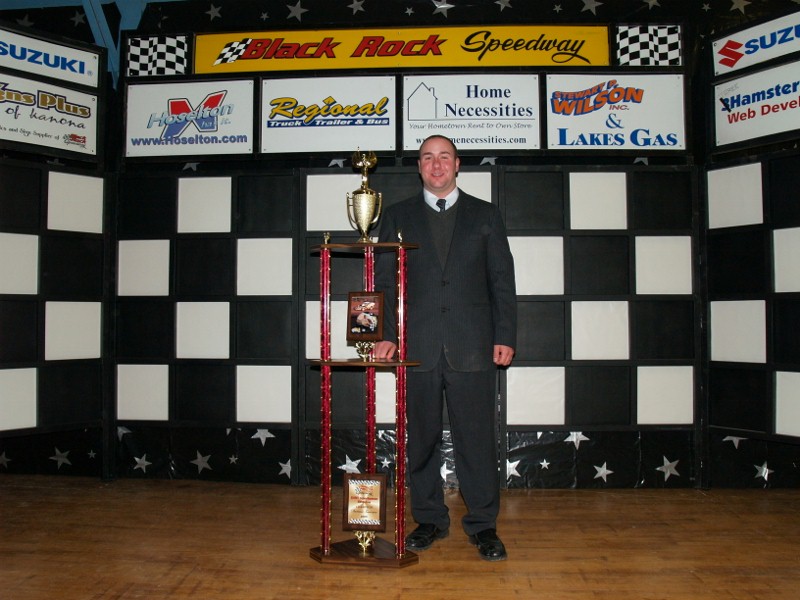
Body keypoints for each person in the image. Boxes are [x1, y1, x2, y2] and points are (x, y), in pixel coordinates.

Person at [373, 135, 517, 561]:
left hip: (473, 345)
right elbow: (384, 282)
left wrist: (505, 335)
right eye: (427, 158)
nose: (436, 165)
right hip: (415, 346)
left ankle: (483, 525)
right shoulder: (397, 216)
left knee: (477, 440)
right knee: (420, 440)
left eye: (444, 157)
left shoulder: (486, 214)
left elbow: (502, 281)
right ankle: (430, 519)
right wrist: (385, 334)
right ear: (419, 166)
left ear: (457, 165)